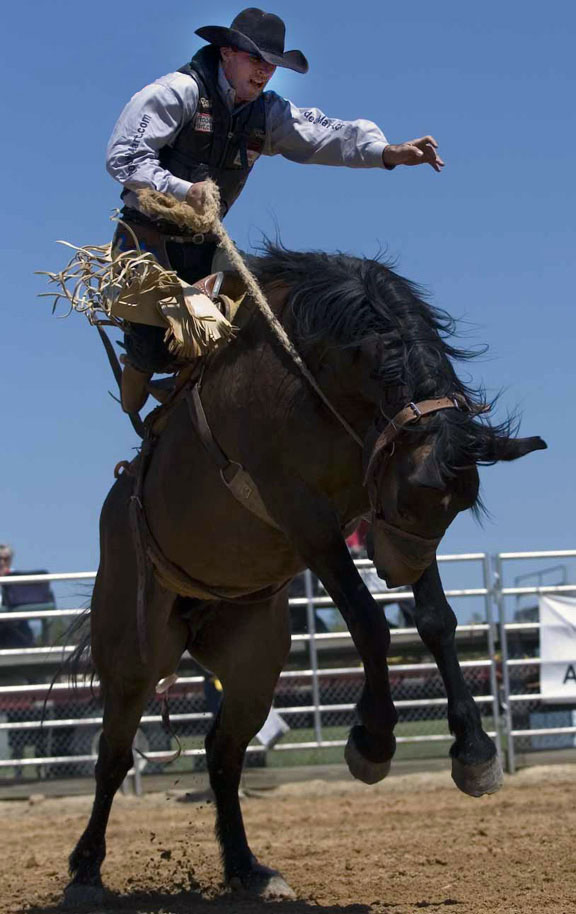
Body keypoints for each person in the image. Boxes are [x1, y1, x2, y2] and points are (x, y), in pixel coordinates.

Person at [106, 7, 444, 413]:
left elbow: (322, 134)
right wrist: (180, 189)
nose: (264, 72)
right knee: (151, 349)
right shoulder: (177, 92)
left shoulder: (267, 112)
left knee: (248, 324)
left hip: (206, 245)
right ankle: (140, 371)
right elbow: (123, 157)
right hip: (148, 243)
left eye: (272, 65)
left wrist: (386, 153)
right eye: (256, 60)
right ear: (227, 52)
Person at [0, 543, 56, 648]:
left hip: (17, 627)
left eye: (6, 558)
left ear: (10, 560)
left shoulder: (20, 579)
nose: (2, 562)